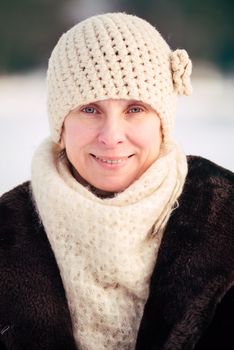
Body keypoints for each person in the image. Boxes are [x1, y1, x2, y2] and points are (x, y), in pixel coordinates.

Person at [0, 12, 233, 350]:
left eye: (135, 109)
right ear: (60, 127)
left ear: (162, 124)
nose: (111, 137)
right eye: (90, 109)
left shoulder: (224, 218)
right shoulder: (7, 232)